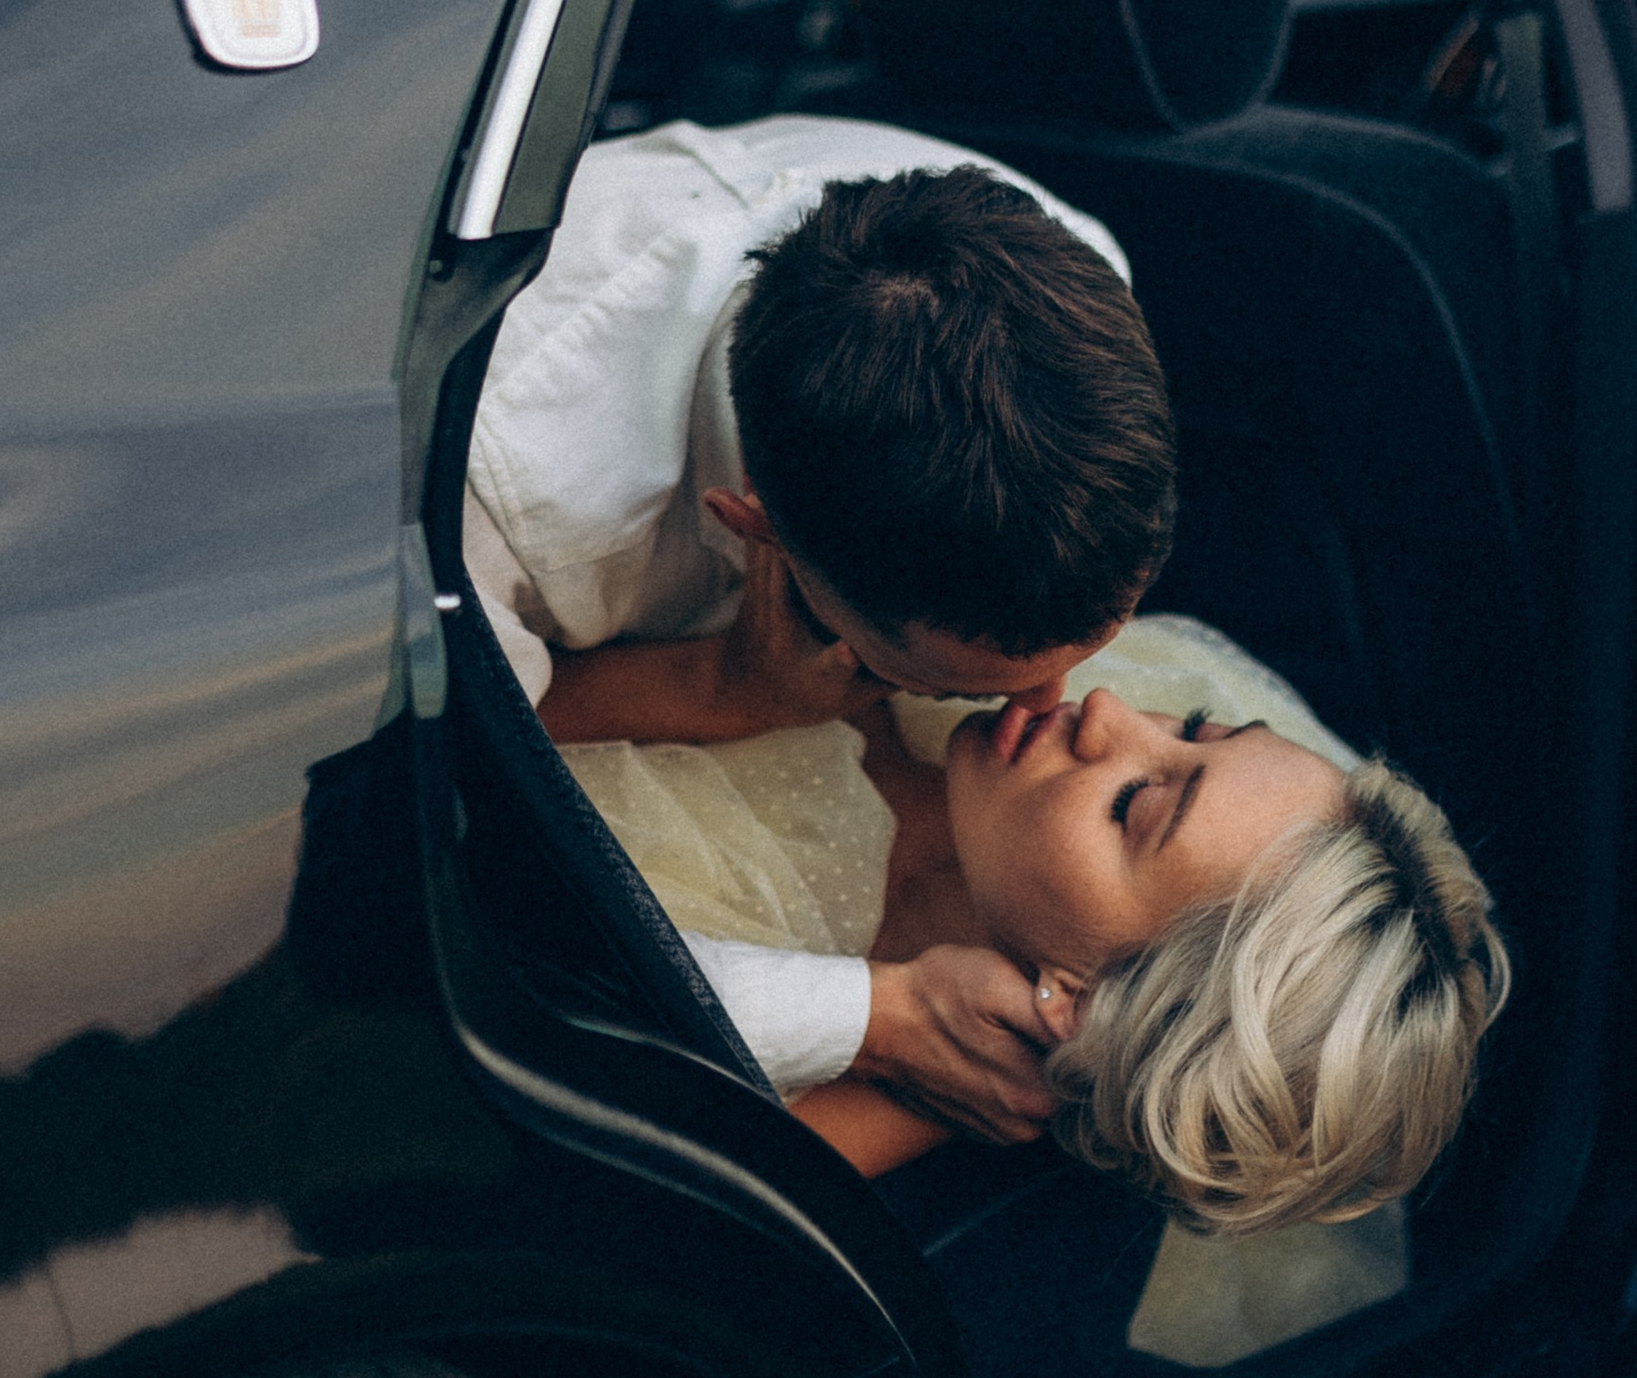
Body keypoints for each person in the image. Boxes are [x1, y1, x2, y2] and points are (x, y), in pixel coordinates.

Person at [463, 117, 1178, 1132]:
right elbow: (442, 846)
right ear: (752, 525)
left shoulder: (1073, 270)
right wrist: (720, 693)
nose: (1052, 705)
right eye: (943, 684)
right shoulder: (495, 493)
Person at [560, 612, 1510, 1233]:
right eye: (1191, 727)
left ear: (1081, 1004)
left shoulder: (931, 1077)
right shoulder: (1004, 637)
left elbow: (541, 1074)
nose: (1107, 708)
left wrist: (873, 1015)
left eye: (1134, 804)